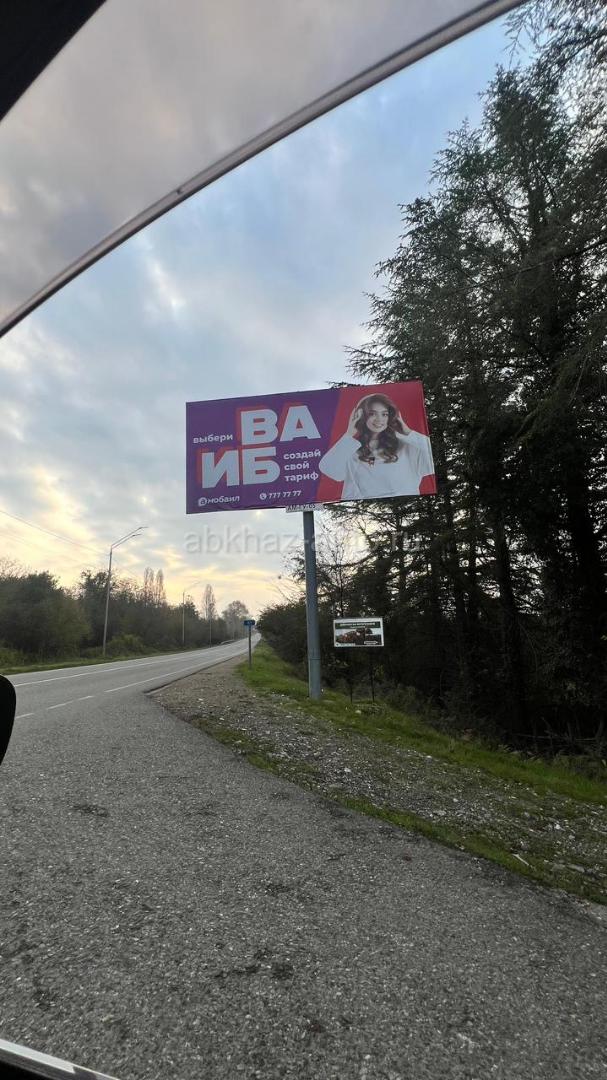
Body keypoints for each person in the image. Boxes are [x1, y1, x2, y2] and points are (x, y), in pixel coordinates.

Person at [319, 393, 434, 499]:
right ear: (361, 416)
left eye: (384, 414)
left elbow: (434, 457)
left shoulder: (409, 446)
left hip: (401, 507)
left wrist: (408, 432)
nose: (379, 419)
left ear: (391, 417)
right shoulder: (350, 448)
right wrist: (349, 434)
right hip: (363, 510)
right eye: (372, 414)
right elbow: (329, 469)